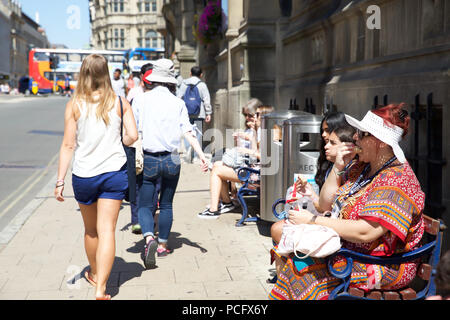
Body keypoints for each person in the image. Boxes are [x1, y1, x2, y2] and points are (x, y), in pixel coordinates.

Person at [269, 103, 425, 300]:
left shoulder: (396, 179)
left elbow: (365, 232)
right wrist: (337, 166)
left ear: (381, 142)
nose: (355, 137)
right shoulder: (362, 167)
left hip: (385, 265)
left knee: (303, 269)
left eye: (362, 134)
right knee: (292, 256)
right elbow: (325, 205)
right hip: (351, 250)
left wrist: (312, 221)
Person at [54, 54, 138, 300]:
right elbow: (132, 136)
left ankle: (93, 272)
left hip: (84, 176)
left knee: (91, 231)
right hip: (114, 173)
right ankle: (101, 288)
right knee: (108, 231)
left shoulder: (75, 104)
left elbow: (68, 146)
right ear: (106, 74)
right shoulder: (120, 102)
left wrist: (60, 181)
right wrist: (122, 139)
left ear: (84, 73)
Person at [132, 58, 209, 269]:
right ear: (171, 79)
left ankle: (149, 239)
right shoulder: (178, 103)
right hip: (173, 158)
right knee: (166, 203)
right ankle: (163, 245)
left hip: (148, 157)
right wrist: (202, 155)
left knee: (146, 205)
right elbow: (188, 132)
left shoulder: (140, 100)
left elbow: (132, 132)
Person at [270, 120, 355, 276]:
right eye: (325, 140)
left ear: (348, 147)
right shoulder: (339, 169)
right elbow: (326, 206)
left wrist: (310, 219)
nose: (325, 145)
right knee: (281, 229)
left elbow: (330, 210)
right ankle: (291, 275)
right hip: (331, 226)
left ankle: (295, 274)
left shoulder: (349, 171)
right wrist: (311, 194)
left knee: (278, 230)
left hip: (339, 236)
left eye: (331, 142)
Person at [197, 98, 262, 219]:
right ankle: (224, 202)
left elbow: (259, 156)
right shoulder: (254, 130)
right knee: (217, 164)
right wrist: (242, 139)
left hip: (254, 172)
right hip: (248, 166)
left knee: (217, 168)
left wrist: (249, 138)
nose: (248, 118)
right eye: (246, 115)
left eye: (252, 115)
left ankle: (215, 208)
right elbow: (245, 153)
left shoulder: (263, 133)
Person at [126, 63, 154, 235]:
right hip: (141, 143)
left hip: (139, 143)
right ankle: (140, 220)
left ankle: (141, 219)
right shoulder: (135, 94)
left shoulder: (135, 94)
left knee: (142, 185)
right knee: (140, 184)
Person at [177, 66, 212, 163]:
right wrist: (208, 113)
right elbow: (206, 100)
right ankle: (196, 156)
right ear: (201, 75)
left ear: (190, 73)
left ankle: (188, 154)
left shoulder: (184, 83)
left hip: (186, 113)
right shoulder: (202, 85)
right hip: (199, 114)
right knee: (198, 134)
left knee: (187, 132)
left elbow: (179, 97)